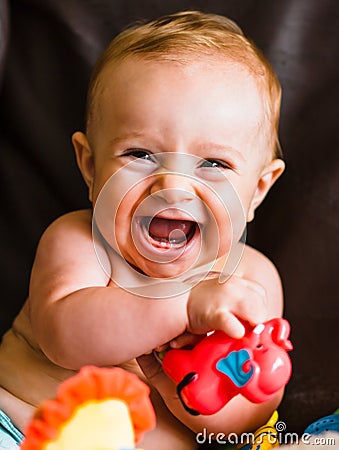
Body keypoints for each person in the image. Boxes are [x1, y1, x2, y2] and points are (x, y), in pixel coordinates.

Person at [0, 11, 286, 450]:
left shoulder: (250, 281)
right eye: (140, 154)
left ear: (257, 190)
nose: (172, 186)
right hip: (25, 429)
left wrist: (187, 395)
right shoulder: (79, 241)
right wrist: (184, 307)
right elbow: (65, 336)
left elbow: (246, 420)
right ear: (91, 166)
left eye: (213, 164)